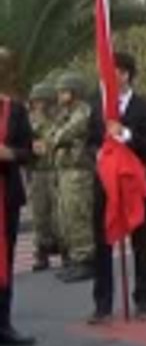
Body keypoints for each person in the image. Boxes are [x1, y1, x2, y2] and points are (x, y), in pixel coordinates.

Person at [89, 51, 146, 324]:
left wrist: (126, 135)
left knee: (140, 241)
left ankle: (142, 300)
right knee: (102, 241)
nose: (110, 77)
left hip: (134, 181)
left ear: (127, 74)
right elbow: (89, 140)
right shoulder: (99, 106)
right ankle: (102, 304)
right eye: (106, 72)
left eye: (116, 72)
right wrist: (97, 154)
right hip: (106, 182)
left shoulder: (144, 107)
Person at [0, 48, 36, 346]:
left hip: (6, 197)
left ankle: (4, 323)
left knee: (4, 260)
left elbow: (30, 152)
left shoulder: (15, 110)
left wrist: (10, 153)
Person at [48, 73, 96, 284]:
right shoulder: (65, 113)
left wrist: (54, 139)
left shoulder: (83, 112)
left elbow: (62, 135)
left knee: (79, 217)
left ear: (74, 92)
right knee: (67, 217)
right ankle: (76, 260)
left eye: (63, 91)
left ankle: (87, 260)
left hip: (79, 173)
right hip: (65, 172)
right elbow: (50, 135)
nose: (59, 95)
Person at [27, 81, 61, 271]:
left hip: (56, 170)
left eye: (41, 101)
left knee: (60, 214)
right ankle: (42, 252)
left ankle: (65, 250)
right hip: (38, 172)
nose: (37, 105)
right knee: (40, 214)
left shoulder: (60, 119)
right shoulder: (30, 120)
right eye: (35, 101)